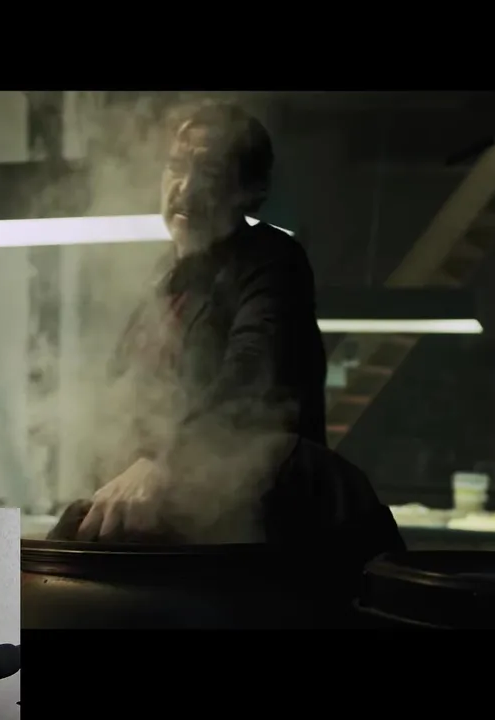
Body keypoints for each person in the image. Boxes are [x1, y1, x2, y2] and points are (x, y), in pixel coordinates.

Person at [63, 101, 402, 569]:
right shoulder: (164, 280)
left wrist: (166, 462)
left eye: (209, 172)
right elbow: (122, 395)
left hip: (256, 546)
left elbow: (253, 375)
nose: (185, 189)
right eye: (176, 167)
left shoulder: (271, 259)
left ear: (251, 191)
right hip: (171, 540)